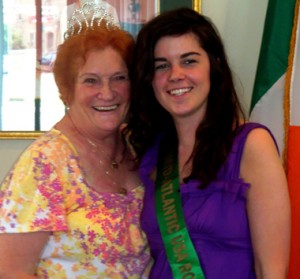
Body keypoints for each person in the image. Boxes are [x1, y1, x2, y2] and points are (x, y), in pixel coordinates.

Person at [126, 7, 290, 279]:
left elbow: (271, 271)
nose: (175, 74)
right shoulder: (151, 153)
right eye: (162, 65)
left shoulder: (251, 145)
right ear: (150, 79)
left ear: (213, 65)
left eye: (189, 61)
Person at [0, 3, 150, 278]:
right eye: (91, 81)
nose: (107, 93)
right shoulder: (44, 163)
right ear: (68, 89)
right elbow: (10, 271)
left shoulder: (137, 148)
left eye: (119, 78)